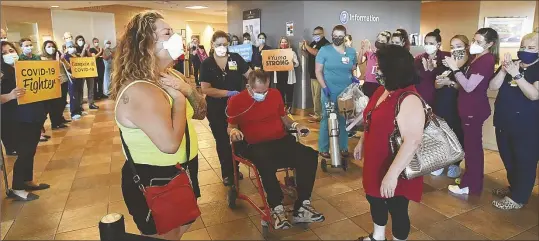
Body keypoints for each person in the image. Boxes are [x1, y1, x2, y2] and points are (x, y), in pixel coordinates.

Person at [110, 10, 204, 240]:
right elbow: (170, 144)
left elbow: (201, 112)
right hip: (156, 177)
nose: (176, 37)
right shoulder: (140, 89)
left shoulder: (170, 75)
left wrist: (188, 90)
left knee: (183, 225)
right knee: (167, 234)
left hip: (184, 167)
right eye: (167, 33)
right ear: (147, 43)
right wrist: (180, 100)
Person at [227, 69, 324, 230]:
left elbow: (284, 118)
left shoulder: (275, 94)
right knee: (265, 162)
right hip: (255, 144)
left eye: (266, 90)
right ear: (249, 87)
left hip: (280, 140)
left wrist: (296, 125)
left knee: (309, 155)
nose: (263, 95)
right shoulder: (237, 101)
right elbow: (231, 127)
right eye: (259, 92)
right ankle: (276, 207)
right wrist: (235, 132)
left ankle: (302, 206)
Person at [353, 45, 425, 241]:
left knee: (397, 208)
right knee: (374, 198)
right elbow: (370, 119)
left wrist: (392, 175)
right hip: (375, 160)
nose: (378, 71)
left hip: (396, 165)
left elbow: (413, 141)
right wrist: (361, 142)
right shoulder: (382, 91)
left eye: (381, 68)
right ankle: (378, 236)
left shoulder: (410, 99)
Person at [445, 27, 499, 195]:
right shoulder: (477, 58)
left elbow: (469, 86)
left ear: (490, 44)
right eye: (474, 40)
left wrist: (455, 68)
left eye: (478, 42)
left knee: (472, 149)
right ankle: (471, 181)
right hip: (468, 107)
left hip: (474, 109)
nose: (474, 44)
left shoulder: (486, 60)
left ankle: (470, 184)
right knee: (472, 147)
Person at [489, 32, 539, 209]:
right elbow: (493, 86)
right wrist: (504, 70)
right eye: (523, 47)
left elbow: (534, 95)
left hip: (528, 126)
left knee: (524, 161)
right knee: (508, 159)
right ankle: (514, 187)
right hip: (503, 121)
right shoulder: (511, 65)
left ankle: (519, 198)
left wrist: (517, 75)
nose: (525, 51)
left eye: (531, 48)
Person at [200, 30, 251, 186]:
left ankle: (235, 168)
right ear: (212, 45)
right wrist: (227, 93)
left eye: (225, 44)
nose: (222, 47)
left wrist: (257, 80)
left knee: (236, 138)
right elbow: (205, 89)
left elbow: (250, 74)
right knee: (222, 141)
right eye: (219, 45)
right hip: (216, 107)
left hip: (236, 107)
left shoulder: (235, 59)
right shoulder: (207, 64)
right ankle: (227, 173)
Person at [2, 40, 50, 201]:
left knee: (31, 149)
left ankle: (27, 180)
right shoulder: (2, 72)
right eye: (4, 52)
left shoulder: (22, 66)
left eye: (11, 50)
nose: (10, 54)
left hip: (32, 114)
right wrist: (9, 96)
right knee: (24, 151)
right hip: (15, 117)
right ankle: (17, 187)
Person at [315, 25, 357, 158]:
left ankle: (343, 147)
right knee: (327, 118)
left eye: (340, 36)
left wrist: (354, 77)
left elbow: (352, 68)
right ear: (332, 35)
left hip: (346, 93)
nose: (337, 38)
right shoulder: (324, 50)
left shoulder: (351, 52)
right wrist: (324, 87)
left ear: (345, 37)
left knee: (344, 119)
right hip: (329, 91)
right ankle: (324, 147)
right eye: (335, 35)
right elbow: (318, 71)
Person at [431, 35, 470, 178]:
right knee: (440, 134)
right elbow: (436, 84)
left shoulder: (468, 67)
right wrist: (440, 83)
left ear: (467, 47)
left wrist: (451, 83)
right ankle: (440, 162)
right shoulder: (445, 64)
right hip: (442, 104)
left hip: (458, 105)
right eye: (452, 47)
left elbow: (468, 87)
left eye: (458, 46)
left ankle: (456, 163)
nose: (455, 50)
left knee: (458, 135)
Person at [19, 38, 50, 143]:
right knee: (33, 113)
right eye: (26, 46)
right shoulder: (20, 59)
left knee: (42, 112)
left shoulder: (37, 57)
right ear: (21, 47)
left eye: (30, 45)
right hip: (28, 89)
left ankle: (40, 131)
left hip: (40, 88)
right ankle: (37, 134)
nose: (29, 47)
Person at [41, 40, 70, 130]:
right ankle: (55, 123)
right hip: (52, 84)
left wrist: (63, 59)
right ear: (44, 48)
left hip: (63, 81)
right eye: (49, 47)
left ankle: (60, 118)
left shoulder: (58, 56)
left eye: (53, 46)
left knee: (62, 102)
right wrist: (57, 61)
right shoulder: (43, 58)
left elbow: (68, 67)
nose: (51, 48)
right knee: (54, 105)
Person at [303, 26, 330, 123]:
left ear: (323, 34)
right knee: (315, 95)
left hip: (321, 75)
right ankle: (316, 112)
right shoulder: (313, 43)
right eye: (314, 34)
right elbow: (309, 54)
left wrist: (307, 47)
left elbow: (317, 53)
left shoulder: (325, 44)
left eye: (318, 34)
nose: (315, 36)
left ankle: (319, 115)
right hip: (312, 74)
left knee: (318, 95)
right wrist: (303, 49)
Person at [358, 31, 391, 98]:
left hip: (380, 86)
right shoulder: (370, 54)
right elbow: (360, 61)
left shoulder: (388, 57)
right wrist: (362, 49)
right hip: (368, 84)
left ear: (387, 43)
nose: (379, 42)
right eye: (378, 40)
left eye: (382, 41)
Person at [275, 36, 299, 113]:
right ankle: (281, 109)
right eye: (282, 42)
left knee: (289, 92)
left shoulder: (292, 53)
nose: (283, 43)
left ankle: (289, 109)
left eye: (285, 42)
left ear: (288, 43)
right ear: (280, 43)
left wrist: (292, 62)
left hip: (288, 76)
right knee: (279, 93)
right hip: (279, 76)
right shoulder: (276, 52)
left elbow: (297, 64)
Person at [75, 35, 99, 110]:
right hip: (81, 72)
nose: (81, 41)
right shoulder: (75, 49)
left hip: (89, 70)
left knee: (91, 87)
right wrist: (84, 49)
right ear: (76, 41)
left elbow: (90, 57)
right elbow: (80, 57)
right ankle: (80, 104)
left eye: (82, 40)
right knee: (80, 88)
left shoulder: (86, 48)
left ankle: (91, 103)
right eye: (79, 40)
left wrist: (87, 49)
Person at [64, 41, 84, 120]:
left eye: (73, 46)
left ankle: (79, 110)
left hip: (79, 77)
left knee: (79, 94)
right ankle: (74, 112)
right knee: (73, 95)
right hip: (72, 78)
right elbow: (66, 68)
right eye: (70, 47)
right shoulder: (66, 56)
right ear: (66, 48)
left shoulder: (77, 55)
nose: (72, 48)